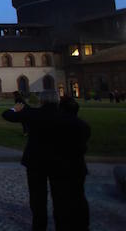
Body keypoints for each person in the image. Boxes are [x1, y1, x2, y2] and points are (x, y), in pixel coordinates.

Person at [2, 90, 75, 231]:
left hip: (36, 161)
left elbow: (7, 115)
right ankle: (61, 224)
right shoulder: (65, 116)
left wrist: (14, 108)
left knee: (37, 197)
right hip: (59, 162)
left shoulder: (33, 113)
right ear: (57, 101)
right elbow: (83, 130)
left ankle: (39, 226)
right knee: (60, 196)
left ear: (41, 101)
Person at [53, 96, 91, 230]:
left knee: (60, 198)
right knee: (79, 196)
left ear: (61, 108)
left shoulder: (56, 125)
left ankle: (62, 225)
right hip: (78, 166)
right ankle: (83, 225)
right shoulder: (84, 125)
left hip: (60, 166)